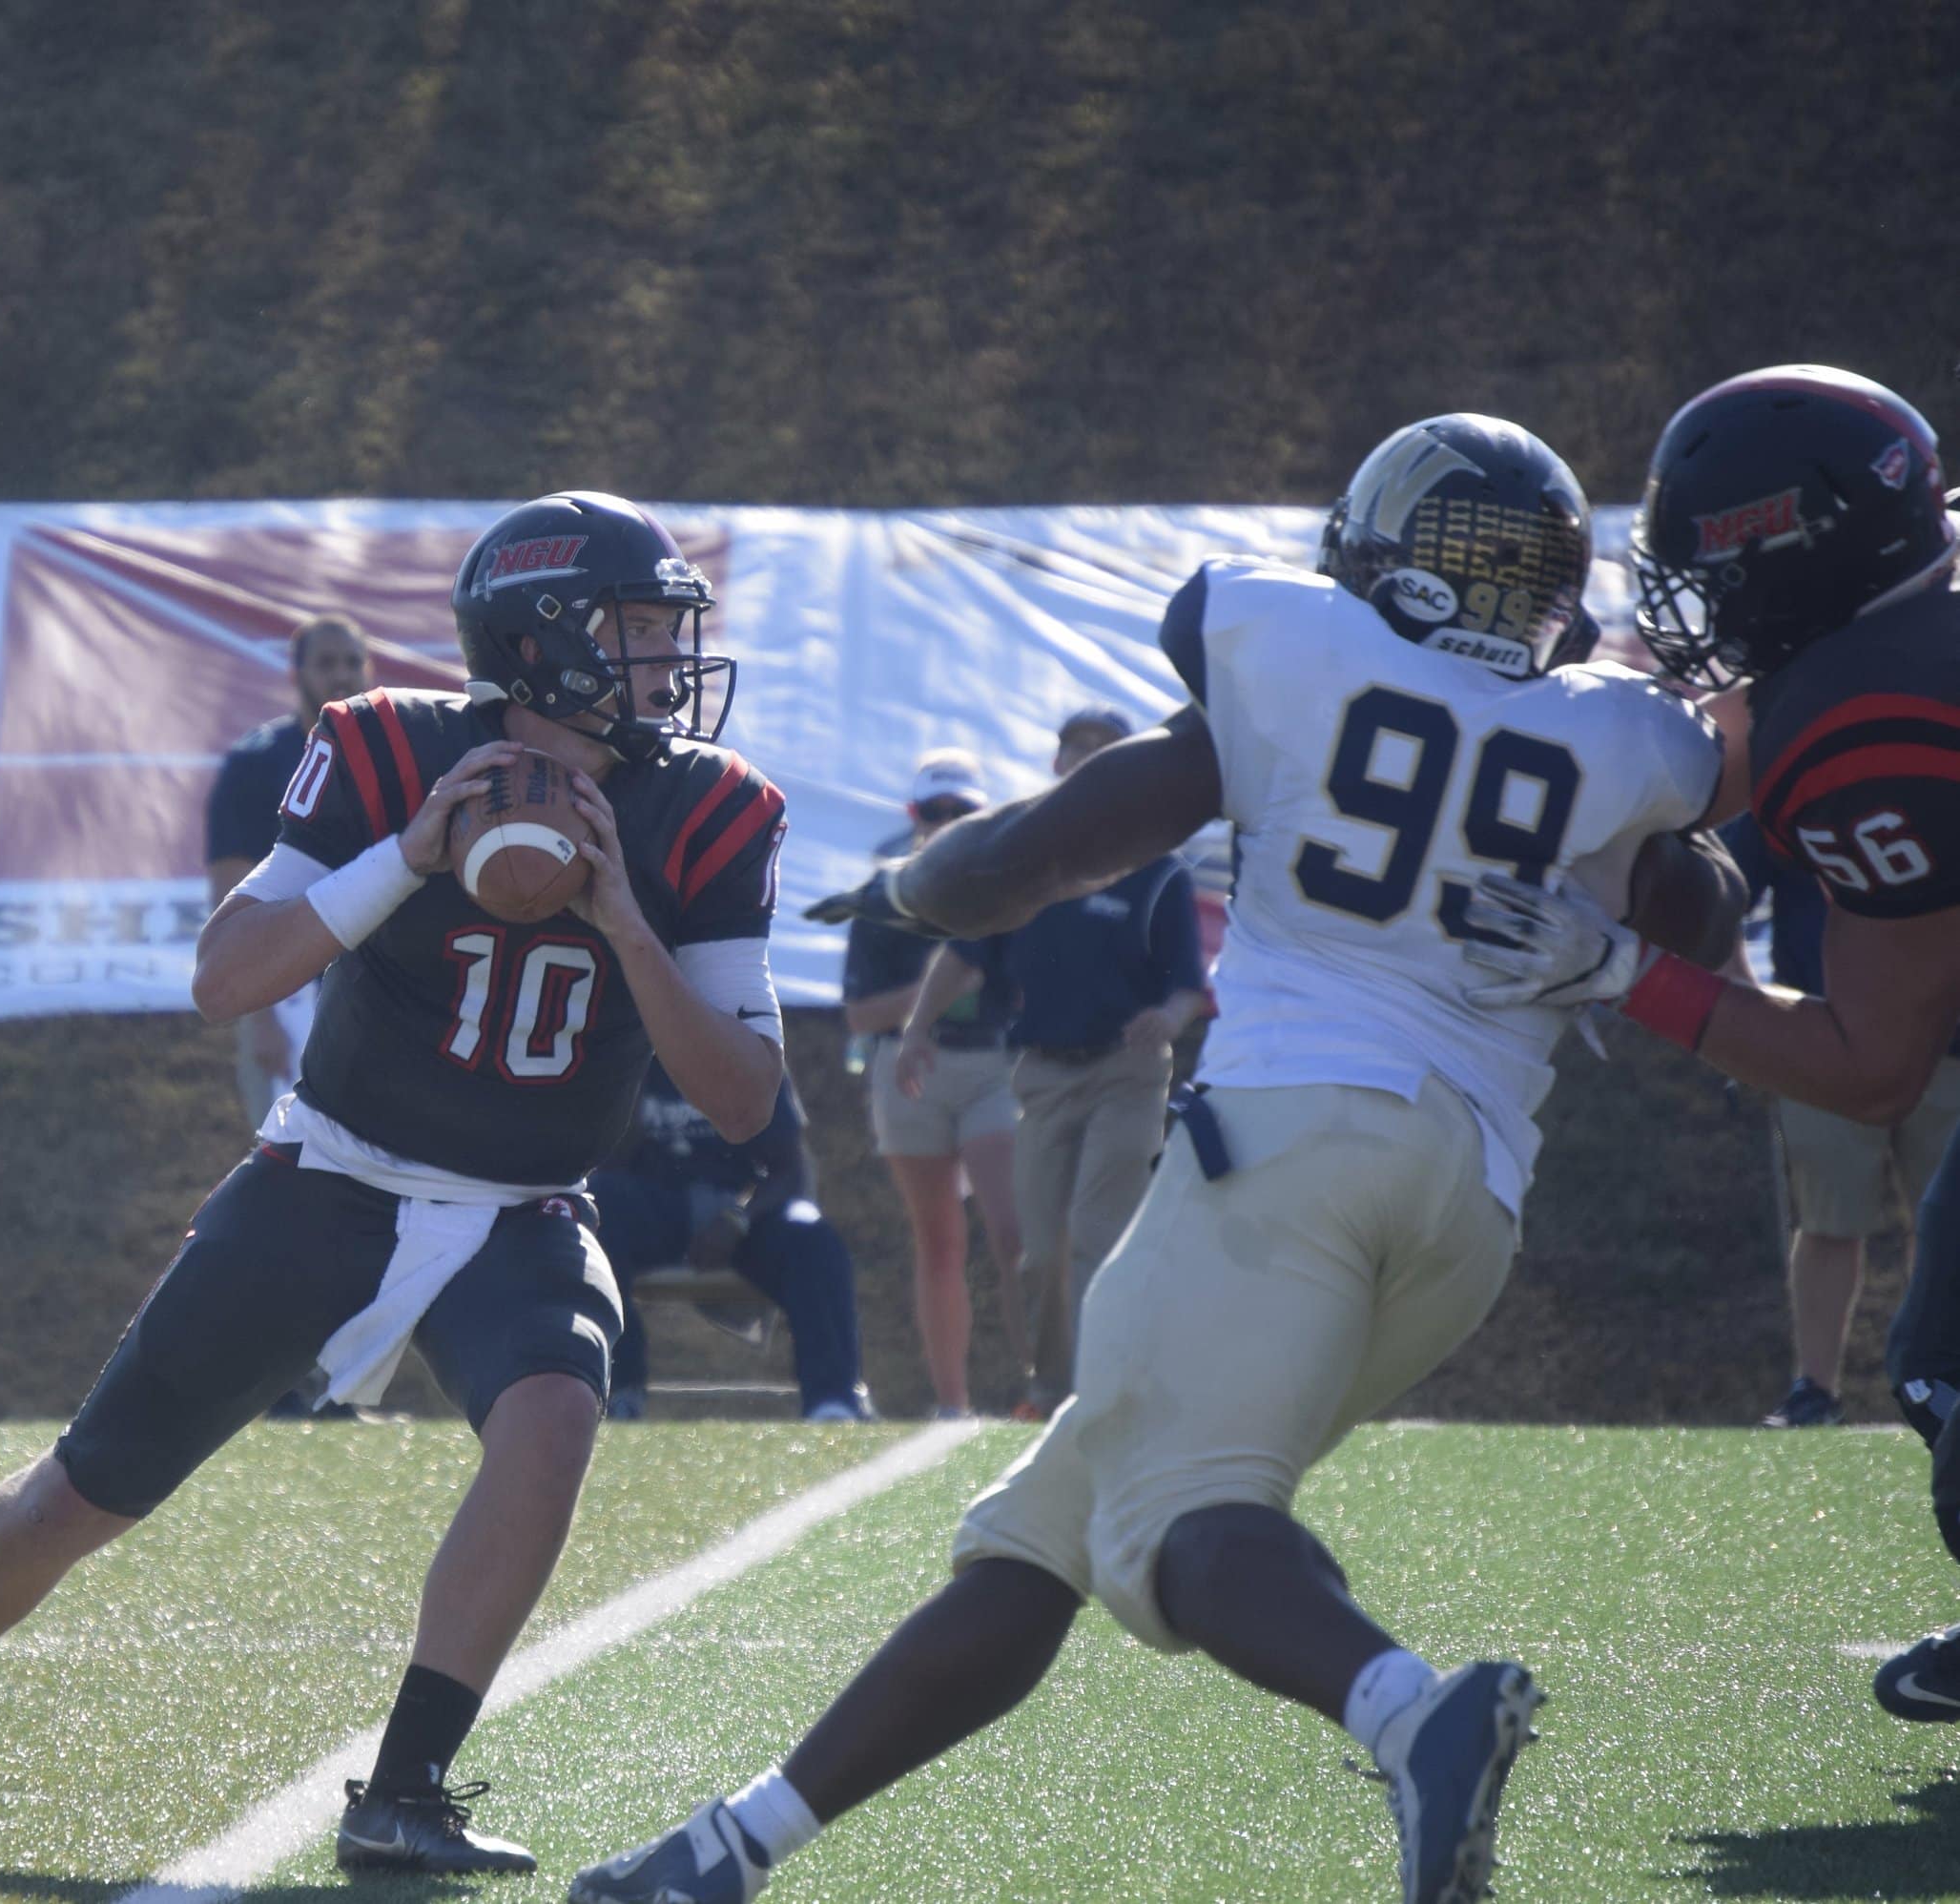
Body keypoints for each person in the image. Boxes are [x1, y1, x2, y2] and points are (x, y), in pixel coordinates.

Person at [568, 415, 1745, 1904]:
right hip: (1468, 1211)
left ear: (1382, 556)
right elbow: (1697, 912)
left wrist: (918, 892)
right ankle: (724, 1854)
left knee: (1180, 1522)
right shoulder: (1614, 733)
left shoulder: (1293, 657)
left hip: (1287, 1151)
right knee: (1043, 1534)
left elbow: (1043, 851)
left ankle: (1410, 1714)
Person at [0, 491, 788, 1878]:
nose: (666, 662)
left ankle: (407, 1788)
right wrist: (412, 858)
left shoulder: (713, 809)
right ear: (538, 643)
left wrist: (625, 918)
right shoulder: (388, 749)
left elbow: (745, 1099)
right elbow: (227, 978)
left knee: (554, 1420)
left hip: (523, 1207)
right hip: (328, 1178)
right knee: (78, 1499)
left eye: (663, 631)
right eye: (634, 630)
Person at [1452, 366, 1960, 1724]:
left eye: (1715, 570)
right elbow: (1724, 739)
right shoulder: (1904, 625)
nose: (1696, 604)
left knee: (1947, 1364)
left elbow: (1870, 1064)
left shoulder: (1874, 717)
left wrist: (1623, 973)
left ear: (1796, 554)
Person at [900, 704, 1211, 1416]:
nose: (1088, 764)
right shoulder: (1027, 861)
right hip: (1041, 1077)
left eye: (1107, 753)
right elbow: (966, 952)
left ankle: (1111, 1387)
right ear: (1057, 765)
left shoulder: (1157, 872)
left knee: (1100, 1237)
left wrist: (1167, 1015)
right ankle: (1049, 1386)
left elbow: (1188, 983)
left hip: (1125, 1077)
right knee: (1038, 1254)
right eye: (1078, 751)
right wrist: (919, 1027)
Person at [1720, 815, 1960, 1428]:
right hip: (1825, 1035)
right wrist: (1743, 1005)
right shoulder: (1801, 765)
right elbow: (1714, 881)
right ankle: (1814, 1389)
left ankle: (1938, 1381)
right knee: (1828, 1221)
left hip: (1948, 1042)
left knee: (1947, 1228)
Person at [839, 751, 1029, 1415]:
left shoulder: (1009, 892)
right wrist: (940, 990)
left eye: (962, 812)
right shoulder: (884, 895)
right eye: (935, 811)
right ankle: (953, 1406)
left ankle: (1042, 1383)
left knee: (1012, 1232)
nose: (947, 823)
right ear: (913, 817)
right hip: (906, 1072)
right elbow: (860, 1014)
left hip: (991, 1067)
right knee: (939, 1240)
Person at [594, 1061, 872, 1423]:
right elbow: (604, 1162)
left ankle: (832, 1399)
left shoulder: (744, 1050)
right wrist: (636, 1072)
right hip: (652, 1206)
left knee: (813, 1238)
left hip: (739, 1209)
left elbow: (790, 1170)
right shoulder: (628, 1050)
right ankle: (619, 1389)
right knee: (597, 1215)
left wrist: (738, 1218)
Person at [205, 613, 371, 1125]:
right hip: (285, 979)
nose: (341, 675)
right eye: (326, 663)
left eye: (351, 662)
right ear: (296, 673)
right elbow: (231, 890)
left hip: (368, 982)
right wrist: (261, 1018)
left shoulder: (388, 755)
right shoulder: (256, 763)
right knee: (286, 1156)